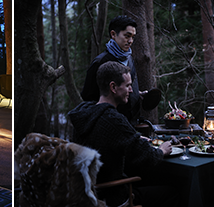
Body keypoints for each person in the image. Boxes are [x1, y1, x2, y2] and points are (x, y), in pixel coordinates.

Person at [69, 61, 172, 207]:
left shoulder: (86, 113)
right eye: (128, 85)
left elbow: (115, 141)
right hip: (111, 197)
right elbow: (147, 156)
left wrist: (135, 138)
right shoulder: (113, 119)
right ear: (113, 87)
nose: (131, 90)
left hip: (88, 194)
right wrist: (162, 150)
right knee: (171, 192)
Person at [81, 15, 148, 125]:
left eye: (133, 37)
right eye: (127, 36)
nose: (131, 41)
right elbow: (88, 97)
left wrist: (136, 93)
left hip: (132, 123)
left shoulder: (129, 58)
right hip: (111, 125)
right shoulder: (100, 62)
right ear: (113, 34)